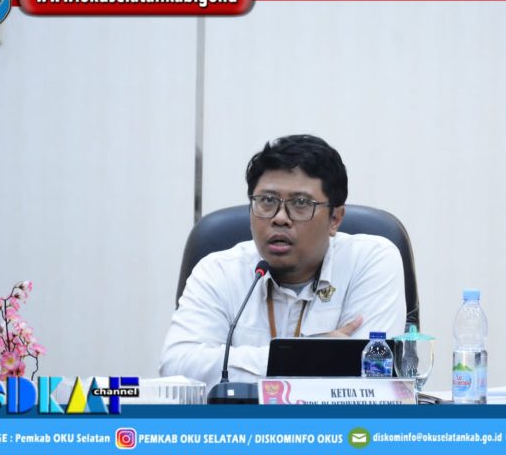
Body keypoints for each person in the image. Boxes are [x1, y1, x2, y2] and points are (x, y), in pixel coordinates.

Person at [159, 134, 406, 388]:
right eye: (267, 201)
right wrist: (302, 357)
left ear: (335, 219)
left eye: (300, 203)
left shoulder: (370, 261)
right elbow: (177, 367)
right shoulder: (218, 271)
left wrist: (269, 365)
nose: (279, 218)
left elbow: (371, 376)